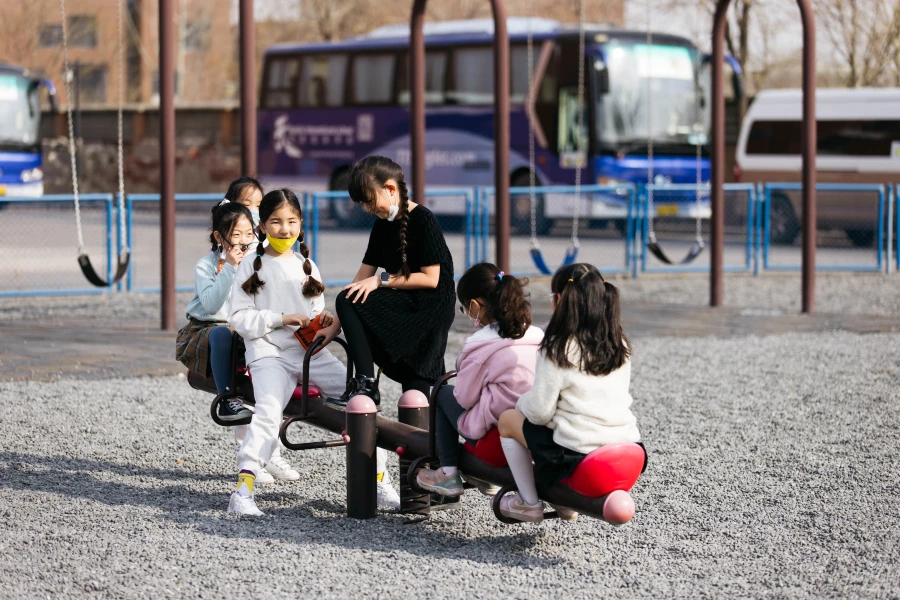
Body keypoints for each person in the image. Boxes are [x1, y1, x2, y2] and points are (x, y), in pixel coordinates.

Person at [226, 188, 397, 515]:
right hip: (268, 354)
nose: (284, 229)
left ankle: (379, 480)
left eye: (291, 221)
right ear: (262, 226)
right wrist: (280, 318)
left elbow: (315, 315)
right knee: (269, 411)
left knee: (362, 402)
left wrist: (325, 321)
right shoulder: (251, 265)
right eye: (275, 222)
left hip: (309, 354)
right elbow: (239, 318)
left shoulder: (307, 264)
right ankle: (243, 492)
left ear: (301, 224)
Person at [495, 263, 642, 523]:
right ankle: (564, 503)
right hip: (628, 445)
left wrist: (520, 401)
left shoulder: (558, 346)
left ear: (560, 299)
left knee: (509, 420)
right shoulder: (618, 341)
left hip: (579, 452)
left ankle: (528, 502)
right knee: (549, 431)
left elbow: (539, 412)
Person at [326, 155, 455, 408]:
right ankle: (366, 386)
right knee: (348, 297)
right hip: (404, 301)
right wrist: (335, 326)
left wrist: (382, 281)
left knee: (416, 379)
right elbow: (360, 280)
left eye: (369, 200)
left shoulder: (424, 220)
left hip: (429, 308)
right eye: (362, 203)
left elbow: (431, 279)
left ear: (391, 189)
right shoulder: (382, 226)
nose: (367, 209)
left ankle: (366, 386)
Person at [415, 263, 543, 497]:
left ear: (475, 305)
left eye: (465, 309)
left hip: (495, 446)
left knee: (442, 392)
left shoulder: (481, 343)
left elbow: (463, 399)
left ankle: (447, 472)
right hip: (535, 439)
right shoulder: (537, 335)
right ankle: (484, 479)